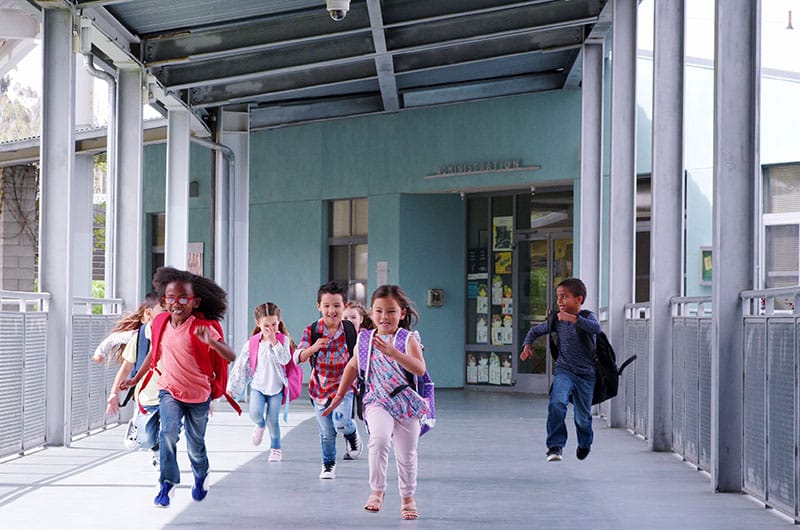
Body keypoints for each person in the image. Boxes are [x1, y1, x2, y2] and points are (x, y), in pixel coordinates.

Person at [324, 285, 428, 520]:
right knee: (379, 439)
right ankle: (377, 491)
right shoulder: (365, 339)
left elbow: (420, 369)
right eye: (379, 311)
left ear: (402, 313)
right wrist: (339, 396)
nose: (384, 317)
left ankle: (408, 498)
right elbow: (352, 366)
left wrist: (393, 352)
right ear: (371, 313)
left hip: (405, 403)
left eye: (391, 311)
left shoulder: (407, 339)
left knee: (406, 454)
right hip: (376, 399)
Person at [149, 267, 236, 508]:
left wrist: (211, 342)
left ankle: (201, 474)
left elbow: (231, 355)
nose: (176, 304)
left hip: (198, 396)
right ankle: (166, 482)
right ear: (164, 300)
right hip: (169, 391)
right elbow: (154, 352)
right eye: (171, 298)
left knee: (195, 444)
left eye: (183, 298)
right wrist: (136, 379)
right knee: (167, 433)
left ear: (195, 301)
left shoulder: (203, 327)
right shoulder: (160, 323)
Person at [520, 277, 601, 462]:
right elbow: (535, 331)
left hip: (586, 375)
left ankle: (585, 442)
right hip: (564, 370)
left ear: (578, 299)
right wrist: (527, 345)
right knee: (557, 403)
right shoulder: (556, 320)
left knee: (583, 417)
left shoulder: (588, 317)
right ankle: (555, 446)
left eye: (564, 297)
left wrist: (573, 319)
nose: (560, 301)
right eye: (558, 297)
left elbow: (596, 329)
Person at [294, 281, 362, 480]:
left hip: (345, 385)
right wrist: (313, 347)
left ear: (344, 306)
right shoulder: (312, 330)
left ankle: (351, 434)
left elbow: (361, 354)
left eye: (336, 306)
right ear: (319, 306)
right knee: (327, 431)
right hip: (320, 389)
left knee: (341, 423)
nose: (331, 310)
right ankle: (328, 464)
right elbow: (298, 357)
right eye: (327, 306)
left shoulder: (350, 330)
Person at [105, 292, 165, 468]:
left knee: (169, 432)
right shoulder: (139, 338)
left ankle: (163, 458)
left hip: (169, 396)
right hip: (146, 397)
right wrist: (114, 394)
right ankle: (142, 433)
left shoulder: (173, 335)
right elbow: (126, 368)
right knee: (146, 440)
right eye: (163, 311)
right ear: (148, 314)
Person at [239, 302, 293, 462]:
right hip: (258, 387)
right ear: (258, 324)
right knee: (255, 413)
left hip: (276, 388)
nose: (271, 329)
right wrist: (232, 387)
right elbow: (241, 365)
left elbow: (285, 359)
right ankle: (260, 425)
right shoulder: (253, 342)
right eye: (266, 325)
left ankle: (276, 448)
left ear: (279, 322)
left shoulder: (283, 340)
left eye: (274, 324)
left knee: (273, 419)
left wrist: (274, 342)